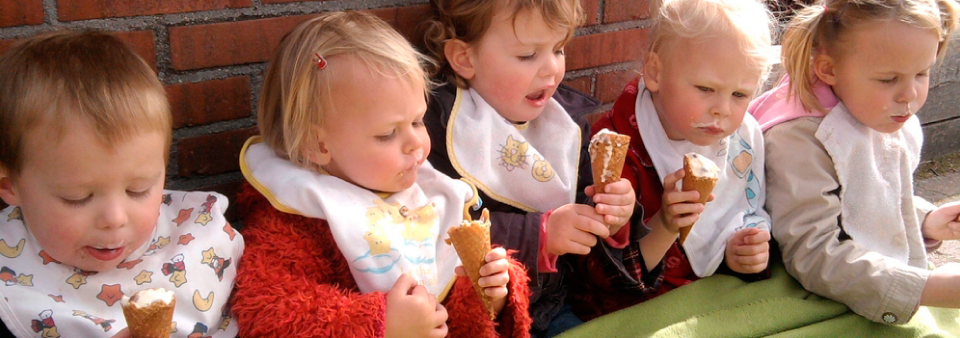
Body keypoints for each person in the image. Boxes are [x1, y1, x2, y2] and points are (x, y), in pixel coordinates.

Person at [229, 11, 532, 337]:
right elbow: (269, 314)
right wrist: (381, 324)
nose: (415, 141)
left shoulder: (425, 196)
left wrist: (488, 292)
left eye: (417, 121)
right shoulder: (295, 216)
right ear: (317, 145)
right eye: (388, 133)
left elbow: (456, 315)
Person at [0, 30, 243, 337]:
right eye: (78, 197)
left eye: (138, 189)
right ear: (10, 186)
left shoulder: (197, 236)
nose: (114, 219)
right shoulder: (10, 284)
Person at [421, 0, 638, 335]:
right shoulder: (437, 126)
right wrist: (540, 235)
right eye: (527, 55)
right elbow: (436, 227)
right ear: (464, 58)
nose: (551, 69)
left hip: (551, 308)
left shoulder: (563, 122)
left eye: (559, 49)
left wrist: (615, 213)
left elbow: (584, 207)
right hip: (473, 319)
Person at [751, 0, 960, 325]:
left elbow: (860, 194)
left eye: (922, 73)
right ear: (829, 69)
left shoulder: (879, 109)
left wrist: (925, 220)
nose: (909, 94)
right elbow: (812, 252)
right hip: (791, 283)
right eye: (888, 79)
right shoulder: (800, 139)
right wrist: (927, 289)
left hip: (865, 278)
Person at [567, 0, 776, 321]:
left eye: (739, 95)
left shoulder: (740, 140)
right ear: (654, 73)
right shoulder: (614, 149)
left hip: (708, 297)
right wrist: (666, 224)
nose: (722, 109)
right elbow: (605, 279)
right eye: (706, 88)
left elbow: (739, 216)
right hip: (630, 310)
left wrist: (739, 253)